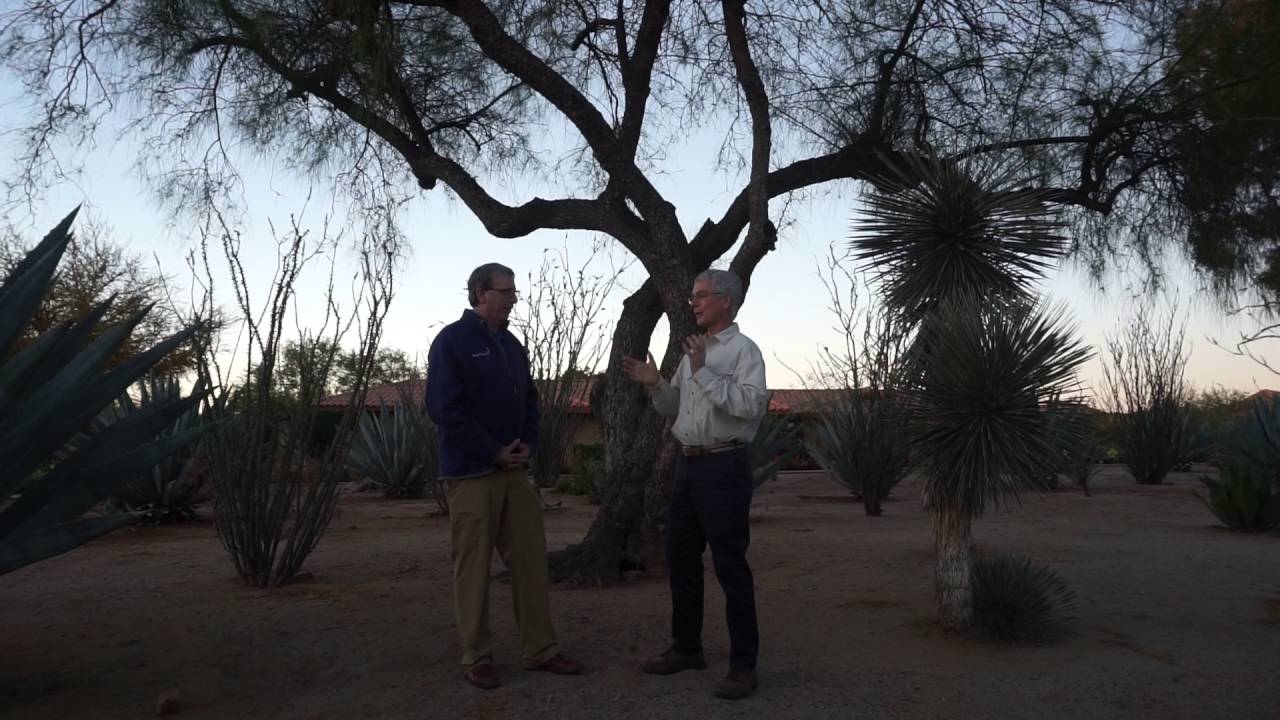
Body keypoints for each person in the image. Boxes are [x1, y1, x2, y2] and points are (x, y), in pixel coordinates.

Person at [425, 262, 583, 690]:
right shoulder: (452, 342)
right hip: (473, 474)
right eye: (506, 291)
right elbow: (444, 410)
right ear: (480, 293)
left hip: (516, 472)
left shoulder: (512, 345)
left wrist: (528, 442)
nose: (514, 298)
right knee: (473, 568)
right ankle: (477, 656)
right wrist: (491, 451)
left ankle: (541, 650)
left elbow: (530, 399)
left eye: (514, 291)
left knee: (531, 562)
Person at [622, 268, 768, 701]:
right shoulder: (693, 353)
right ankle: (687, 648)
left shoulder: (744, 351)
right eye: (693, 296)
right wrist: (657, 386)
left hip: (724, 468)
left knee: (730, 566)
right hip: (688, 468)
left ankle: (743, 666)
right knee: (680, 560)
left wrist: (703, 372)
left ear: (727, 301)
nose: (694, 303)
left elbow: (749, 405)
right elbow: (678, 409)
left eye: (702, 295)